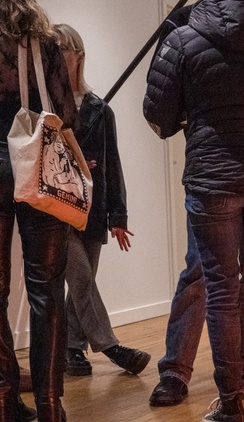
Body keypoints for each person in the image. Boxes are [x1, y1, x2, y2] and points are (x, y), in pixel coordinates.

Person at [144, 0, 244, 422]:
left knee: (221, 291)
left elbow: (157, 114)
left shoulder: (182, 39)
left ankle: (231, 408)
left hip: (213, 182)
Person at [52, 24, 151, 379]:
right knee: (80, 279)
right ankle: (112, 346)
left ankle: (72, 350)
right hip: (56, 207)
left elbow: (113, 165)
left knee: (83, 281)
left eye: (64, 48)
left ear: (79, 55)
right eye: (54, 48)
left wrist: (118, 215)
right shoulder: (43, 108)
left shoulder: (100, 109)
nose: (59, 55)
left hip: (93, 210)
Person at [0, 0, 77, 422]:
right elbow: (66, 114)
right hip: (36, 167)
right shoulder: (40, 42)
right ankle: (49, 402)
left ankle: (4, 398)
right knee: (47, 287)